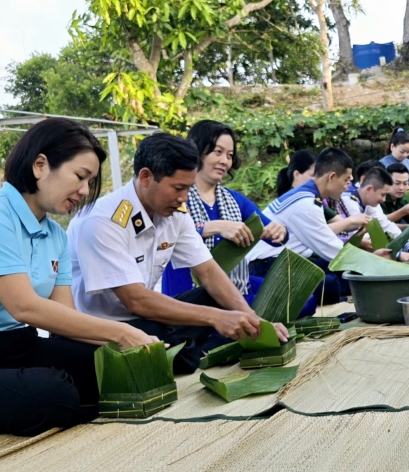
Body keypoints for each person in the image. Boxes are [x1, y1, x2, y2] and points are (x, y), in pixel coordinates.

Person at [68, 133, 287, 376]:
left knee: (216, 298)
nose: (183, 198)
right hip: (107, 326)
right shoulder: (104, 221)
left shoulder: (175, 214)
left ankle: (185, 344)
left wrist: (255, 321)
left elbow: (209, 271)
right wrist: (216, 318)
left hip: (148, 317)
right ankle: (184, 347)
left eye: (188, 189)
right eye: (178, 188)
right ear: (146, 177)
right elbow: (136, 300)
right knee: (183, 356)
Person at [0, 118, 159, 436]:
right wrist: (120, 334)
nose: (85, 191)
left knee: (101, 369)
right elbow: (25, 308)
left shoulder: (56, 235)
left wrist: (134, 343)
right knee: (57, 393)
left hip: (21, 344)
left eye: (90, 182)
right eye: (80, 177)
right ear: (40, 165)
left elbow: (66, 318)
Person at [162, 120, 288, 305]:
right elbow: (167, 237)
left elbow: (273, 235)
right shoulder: (177, 196)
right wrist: (213, 227)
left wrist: (280, 232)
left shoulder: (234, 199)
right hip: (188, 294)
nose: (224, 161)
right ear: (197, 151)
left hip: (235, 287)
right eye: (217, 152)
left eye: (229, 155)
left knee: (304, 299)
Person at [247, 148, 395, 305]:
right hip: (267, 267)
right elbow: (336, 253)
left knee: (335, 277)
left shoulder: (310, 198)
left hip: (287, 262)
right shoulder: (305, 204)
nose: (347, 186)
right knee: (330, 285)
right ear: (331, 177)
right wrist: (375, 260)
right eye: (346, 180)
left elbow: (330, 242)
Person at [341, 166, 409, 260]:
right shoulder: (350, 203)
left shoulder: (369, 203)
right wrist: (397, 254)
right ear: (369, 189)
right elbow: (364, 239)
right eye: (383, 194)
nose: (384, 199)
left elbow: (386, 226)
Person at [382, 162, 409, 227]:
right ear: (386, 181)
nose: (401, 188)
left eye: (405, 184)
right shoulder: (379, 198)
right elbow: (380, 223)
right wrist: (403, 212)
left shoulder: (405, 197)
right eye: (397, 183)